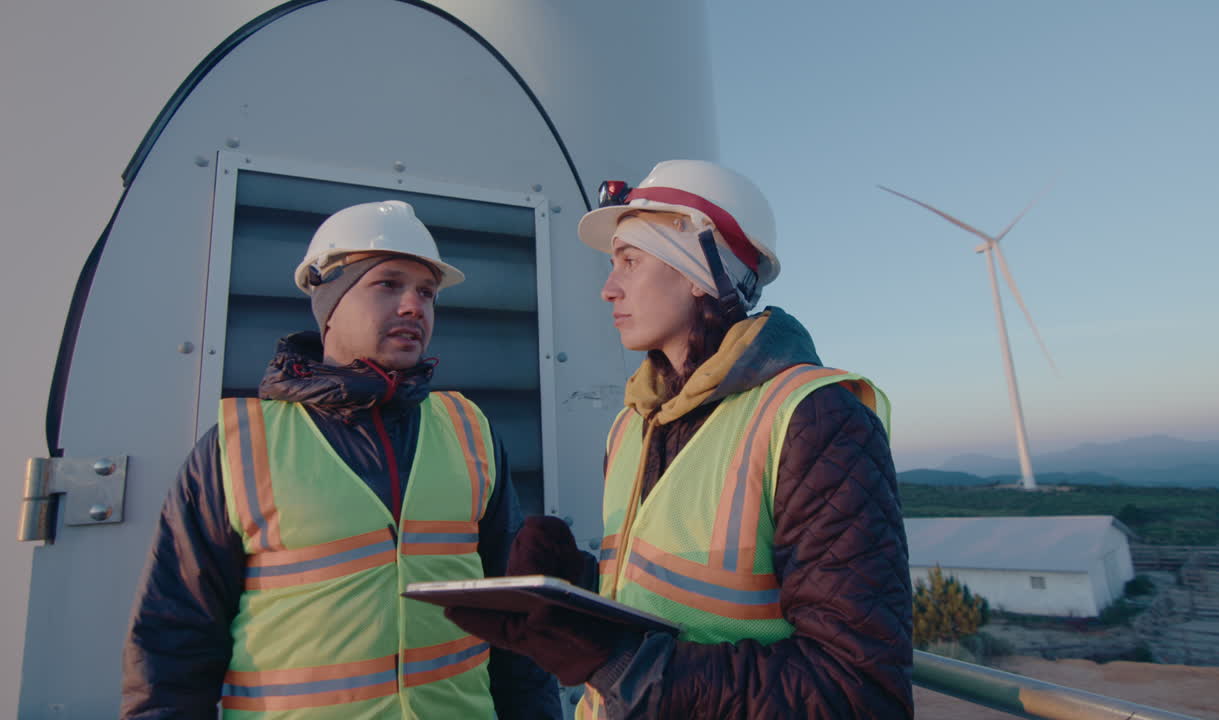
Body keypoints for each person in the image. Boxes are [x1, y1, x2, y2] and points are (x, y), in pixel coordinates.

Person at [446, 160, 914, 718]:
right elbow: (672, 607)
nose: (607, 288)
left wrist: (619, 661)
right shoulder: (635, 423)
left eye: (629, 261)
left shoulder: (816, 418)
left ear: (697, 272)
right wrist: (575, 595)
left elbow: (858, 692)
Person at [121, 200, 562, 719]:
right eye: (388, 284)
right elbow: (173, 644)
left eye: (426, 292)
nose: (413, 306)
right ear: (330, 301)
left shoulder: (470, 432)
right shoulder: (238, 448)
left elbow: (516, 628)